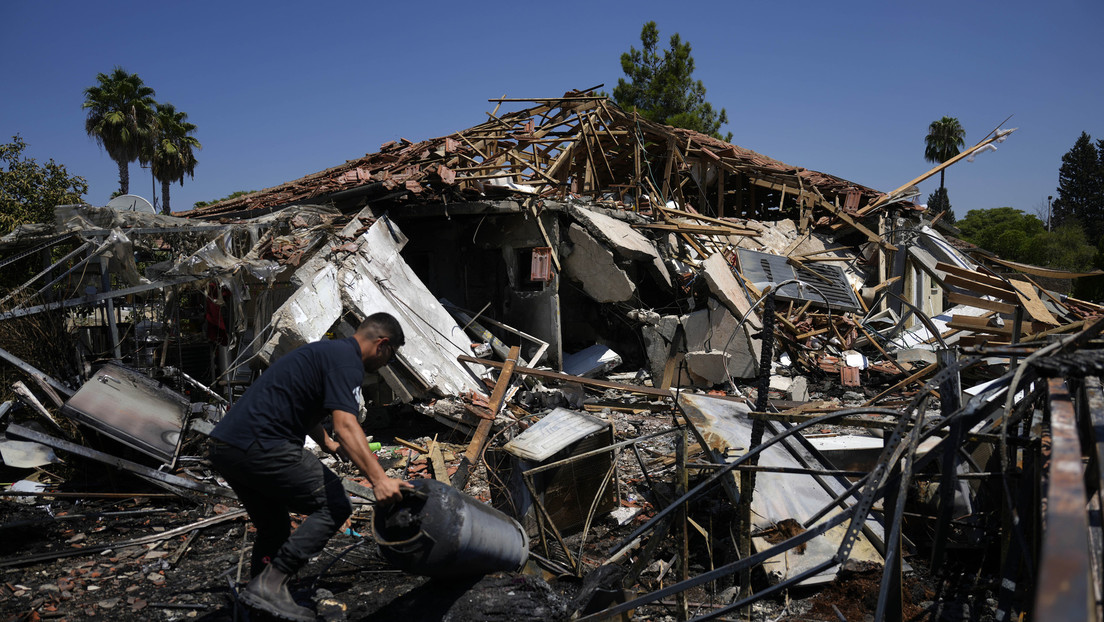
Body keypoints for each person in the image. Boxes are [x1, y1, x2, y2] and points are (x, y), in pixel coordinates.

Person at [209, 312, 412, 622]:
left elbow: (304, 405)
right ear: (382, 344)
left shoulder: (327, 353)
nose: (386, 364)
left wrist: (328, 443)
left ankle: (260, 599)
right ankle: (272, 582)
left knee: (274, 526)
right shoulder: (348, 363)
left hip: (228, 446)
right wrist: (380, 480)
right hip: (262, 443)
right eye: (390, 356)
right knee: (333, 504)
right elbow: (347, 423)